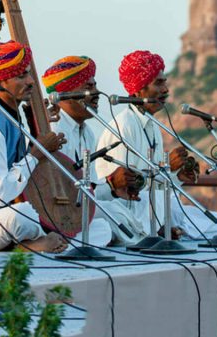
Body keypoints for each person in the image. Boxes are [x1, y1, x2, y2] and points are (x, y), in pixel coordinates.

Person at [93, 50, 215, 242]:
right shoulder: (124, 126)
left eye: (165, 82)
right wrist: (167, 168)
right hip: (128, 214)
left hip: (151, 210)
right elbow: (128, 190)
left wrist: (176, 177)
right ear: (139, 90)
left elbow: (155, 186)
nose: (166, 89)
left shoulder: (152, 126)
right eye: (159, 83)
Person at [0, 41, 69, 252]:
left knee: (97, 226)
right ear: (0, 82)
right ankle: (29, 247)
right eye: (21, 76)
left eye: (29, 74)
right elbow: (1, 193)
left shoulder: (13, 116)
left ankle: (36, 242)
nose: (31, 82)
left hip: (5, 213)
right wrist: (36, 154)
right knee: (24, 216)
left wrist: (34, 123)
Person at [42, 55, 144, 245]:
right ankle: (144, 241)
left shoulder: (87, 132)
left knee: (125, 207)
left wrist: (114, 187)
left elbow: (89, 191)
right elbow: (64, 195)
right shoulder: (55, 130)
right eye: (89, 87)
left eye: (95, 86)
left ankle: (146, 238)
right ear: (66, 93)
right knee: (111, 216)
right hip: (59, 213)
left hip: (80, 208)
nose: (97, 93)